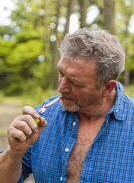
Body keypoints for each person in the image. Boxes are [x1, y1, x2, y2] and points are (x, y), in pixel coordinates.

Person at [0, 27, 134, 183]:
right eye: (61, 74)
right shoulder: (43, 116)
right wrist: (14, 153)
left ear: (107, 88)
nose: (61, 88)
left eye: (75, 82)